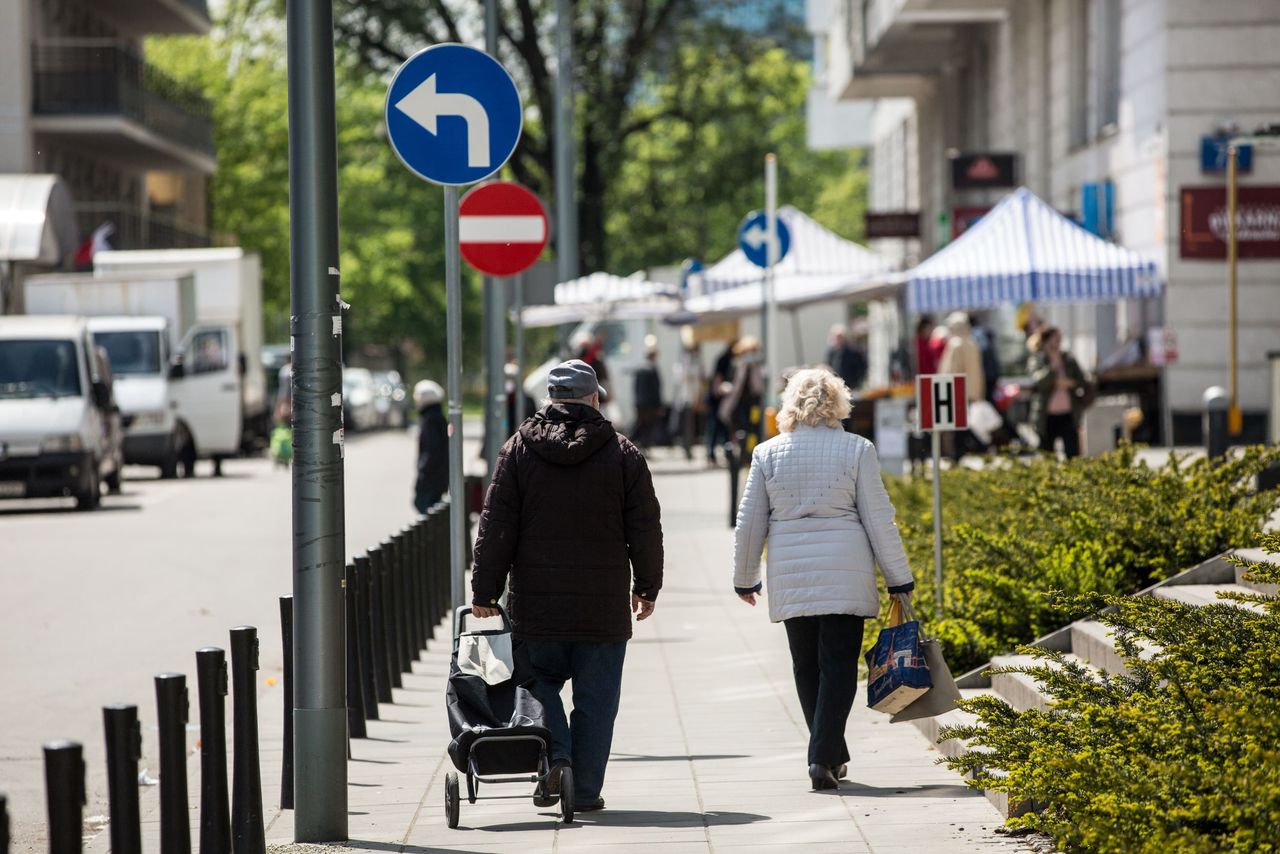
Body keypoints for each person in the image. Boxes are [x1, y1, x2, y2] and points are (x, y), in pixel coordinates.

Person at [471, 359, 664, 813]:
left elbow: (496, 526)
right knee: (597, 703)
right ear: (595, 398)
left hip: (538, 607)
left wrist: (484, 591)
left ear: (550, 400)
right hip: (602, 609)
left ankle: (558, 758)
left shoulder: (518, 450)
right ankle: (586, 788)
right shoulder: (623, 453)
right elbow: (646, 527)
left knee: (537, 684)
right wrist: (647, 587)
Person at [732, 367, 914, 791]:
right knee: (837, 666)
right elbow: (879, 519)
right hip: (844, 571)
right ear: (838, 402)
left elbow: (749, 521)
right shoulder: (857, 449)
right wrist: (898, 578)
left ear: (789, 404)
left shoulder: (768, 453)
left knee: (805, 665)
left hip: (792, 572)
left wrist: (745, 578)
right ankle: (823, 756)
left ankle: (827, 753)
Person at [1028, 326, 1087, 458]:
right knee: (1048, 455)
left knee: (1073, 454)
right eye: (1054, 340)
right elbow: (1039, 382)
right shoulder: (1038, 360)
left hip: (1068, 414)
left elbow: (1081, 380)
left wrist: (1070, 383)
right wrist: (1053, 369)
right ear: (1046, 341)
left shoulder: (1068, 359)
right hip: (1046, 415)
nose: (1057, 343)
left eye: (1059, 339)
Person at [938, 312, 986, 459]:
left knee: (958, 425)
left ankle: (969, 449)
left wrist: (941, 388)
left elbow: (951, 371)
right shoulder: (972, 342)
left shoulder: (955, 343)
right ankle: (973, 448)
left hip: (956, 391)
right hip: (971, 391)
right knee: (963, 422)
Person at [718, 336, 764, 444]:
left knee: (754, 429)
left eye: (752, 351)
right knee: (741, 429)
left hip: (754, 404)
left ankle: (751, 451)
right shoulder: (736, 365)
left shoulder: (758, 366)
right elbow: (729, 381)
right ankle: (741, 453)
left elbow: (759, 387)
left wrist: (754, 369)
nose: (750, 354)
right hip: (738, 404)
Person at [413, 380, 448, 513]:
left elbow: (432, 450)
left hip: (431, 479)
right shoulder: (438, 417)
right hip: (439, 478)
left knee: (422, 505)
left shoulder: (430, 420)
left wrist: (423, 471)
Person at [671, 333, 703, 461]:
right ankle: (687, 449)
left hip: (693, 398)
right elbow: (680, 378)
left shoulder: (696, 361)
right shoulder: (682, 363)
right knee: (687, 426)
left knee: (692, 426)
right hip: (685, 398)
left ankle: (689, 448)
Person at [705, 338, 737, 464]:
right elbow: (717, 379)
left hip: (723, 399)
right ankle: (712, 454)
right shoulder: (724, 359)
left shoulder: (729, 359)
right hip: (718, 400)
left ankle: (722, 453)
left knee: (722, 429)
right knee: (715, 428)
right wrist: (719, 392)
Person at [631, 344, 663, 450]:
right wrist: (659, 404)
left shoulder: (640, 369)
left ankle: (634, 442)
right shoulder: (653, 369)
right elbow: (656, 388)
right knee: (648, 427)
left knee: (640, 425)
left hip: (640, 403)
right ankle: (643, 445)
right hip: (651, 404)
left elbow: (635, 387)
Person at [825, 324, 868, 393]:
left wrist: (856, 382)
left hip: (851, 386)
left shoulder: (853, 351)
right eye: (835, 337)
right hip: (836, 386)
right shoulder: (831, 353)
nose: (837, 339)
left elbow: (861, 368)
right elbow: (828, 367)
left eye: (840, 337)